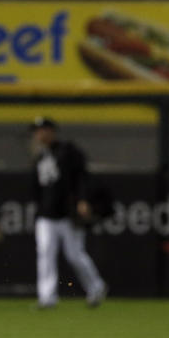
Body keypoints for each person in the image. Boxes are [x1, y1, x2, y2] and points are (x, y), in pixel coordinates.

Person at [30, 116, 107, 309]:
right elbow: (37, 188)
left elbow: (82, 177)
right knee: (45, 253)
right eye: (36, 131)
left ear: (51, 131)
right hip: (46, 215)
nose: (38, 134)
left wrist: (83, 199)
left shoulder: (68, 151)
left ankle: (96, 287)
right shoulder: (40, 156)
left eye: (42, 130)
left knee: (74, 255)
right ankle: (47, 297)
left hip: (67, 213)